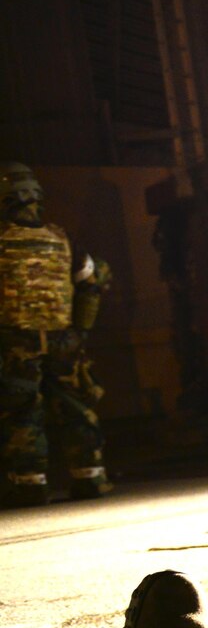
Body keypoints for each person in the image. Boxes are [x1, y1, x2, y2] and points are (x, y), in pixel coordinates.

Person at [0, 161, 112, 507]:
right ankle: (90, 477)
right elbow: (93, 283)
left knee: (22, 413)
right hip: (64, 341)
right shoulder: (63, 240)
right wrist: (80, 332)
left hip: (16, 344)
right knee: (76, 407)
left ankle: (31, 485)